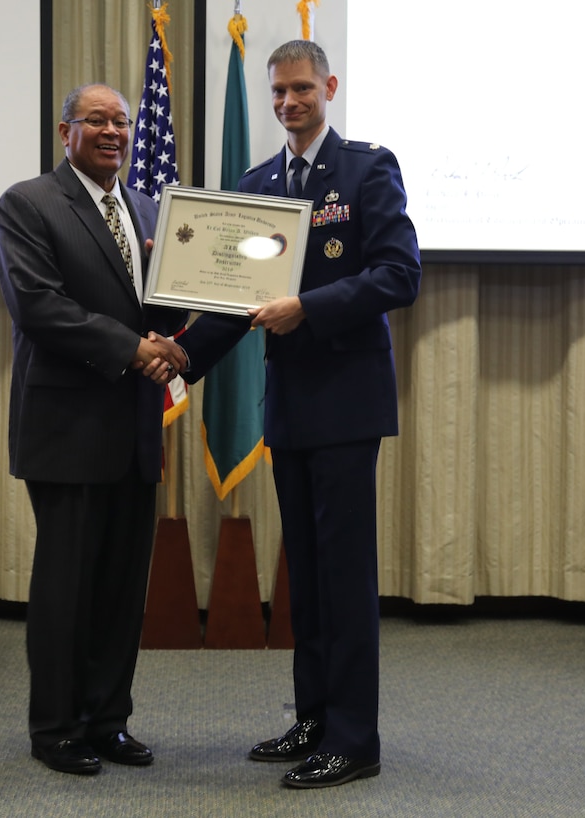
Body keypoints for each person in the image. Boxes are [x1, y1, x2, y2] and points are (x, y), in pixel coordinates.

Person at [170, 40, 421, 788]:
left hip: (347, 405)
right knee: (306, 578)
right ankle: (313, 716)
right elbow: (233, 306)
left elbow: (399, 273)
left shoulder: (367, 167)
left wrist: (305, 308)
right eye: (278, 92)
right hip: (288, 407)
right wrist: (180, 356)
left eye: (302, 88)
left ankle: (355, 739)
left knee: (344, 577)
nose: (288, 103)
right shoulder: (257, 182)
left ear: (330, 87)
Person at [0, 83, 188, 776]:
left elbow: (156, 308)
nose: (112, 131)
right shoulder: (28, 203)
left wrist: (190, 324)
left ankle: (108, 720)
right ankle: (55, 729)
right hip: (67, 426)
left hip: (133, 425)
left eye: (121, 121)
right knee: (67, 586)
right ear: (65, 130)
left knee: (119, 586)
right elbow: (39, 307)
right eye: (96, 120)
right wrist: (134, 349)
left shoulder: (141, 206)